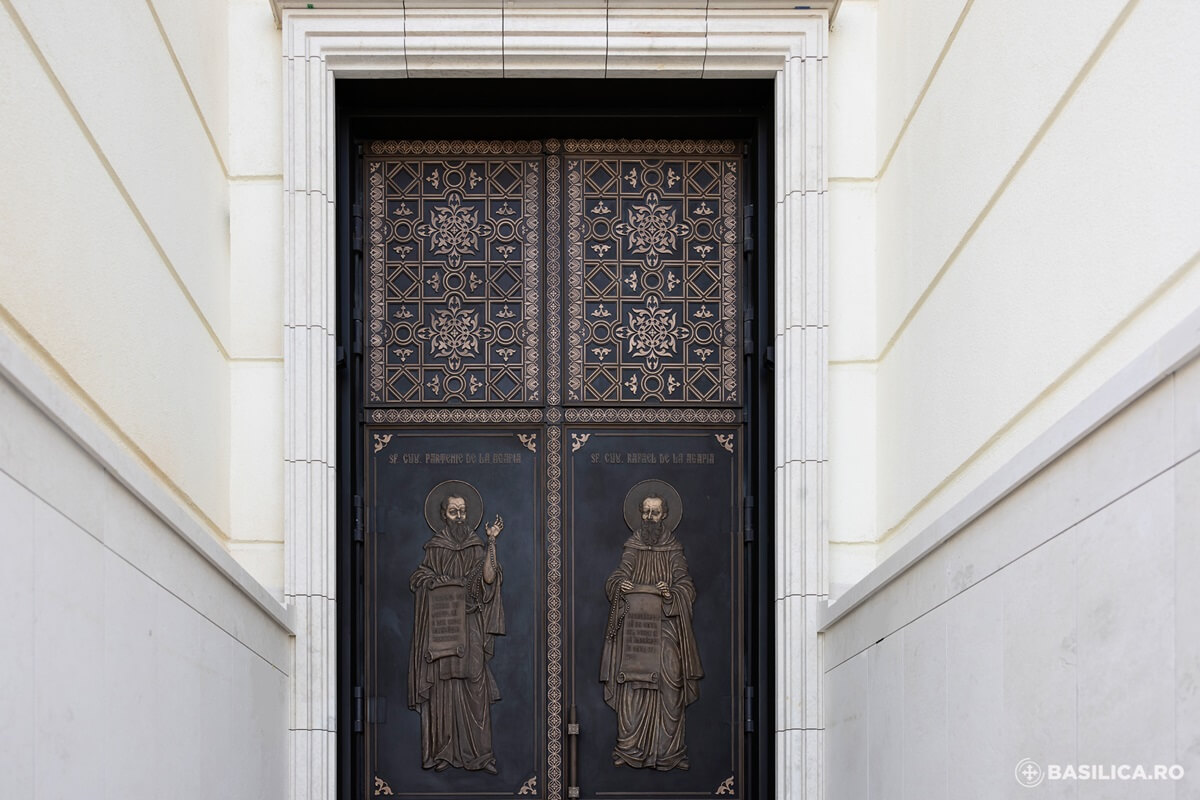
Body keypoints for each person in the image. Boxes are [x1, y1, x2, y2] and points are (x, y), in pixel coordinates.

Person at [600, 493, 703, 770]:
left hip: (665, 627)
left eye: (654, 513)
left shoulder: (673, 549)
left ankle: (669, 752)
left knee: (671, 679)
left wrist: (671, 594)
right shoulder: (633, 545)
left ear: (665, 515)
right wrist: (620, 584)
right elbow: (620, 574)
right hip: (635, 627)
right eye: (645, 512)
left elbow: (686, 585)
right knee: (631, 682)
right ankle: (630, 748)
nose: (649, 518)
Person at [408, 493, 505, 773]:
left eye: (463, 511)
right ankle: (444, 753)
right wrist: (432, 580)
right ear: (443, 515)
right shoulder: (435, 548)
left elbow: (488, 577)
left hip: (470, 624)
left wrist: (492, 541)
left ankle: (481, 754)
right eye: (454, 511)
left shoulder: (477, 546)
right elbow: (419, 576)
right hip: (443, 625)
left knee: (476, 684)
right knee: (444, 687)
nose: (460, 516)